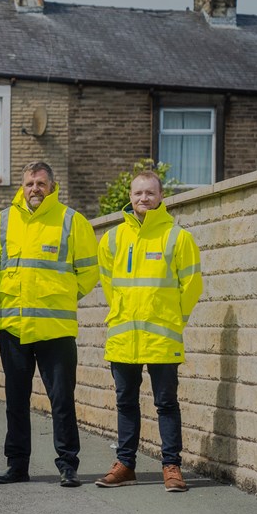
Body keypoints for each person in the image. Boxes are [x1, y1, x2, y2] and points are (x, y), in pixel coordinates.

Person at [0, 161, 99, 487]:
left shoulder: (70, 221)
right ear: (22, 187)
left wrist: (61, 297)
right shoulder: (3, 221)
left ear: (52, 186)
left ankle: (68, 465)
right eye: (30, 183)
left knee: (62, 400)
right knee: (16, 402)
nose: (35, 189)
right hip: (14, 328)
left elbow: (89, 272)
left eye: (41, 183)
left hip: (56, 330)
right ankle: (17, 466)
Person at [95, 171, 203, 492]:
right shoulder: (113, 239)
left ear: (160, 197)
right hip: (123, 336)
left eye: (150, 193)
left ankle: (171, 466)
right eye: (138, 193)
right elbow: (108, 284)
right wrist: (121, 313)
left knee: (166, 404)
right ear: (130, 196)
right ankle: (125, 465)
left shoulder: (177, 237)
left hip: (162, 338)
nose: (144, 198)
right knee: (125, 402)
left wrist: (173, 320)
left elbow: (192, 286)